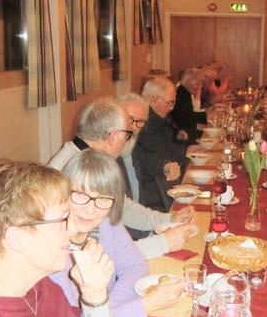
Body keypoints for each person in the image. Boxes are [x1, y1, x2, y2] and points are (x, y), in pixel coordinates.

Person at [0, 159, 116, 317]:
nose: (72, 230)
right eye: (62, 220)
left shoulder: (39, 285)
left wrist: (94, 294)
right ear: (16, 238)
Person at [51, 149, 183, 317]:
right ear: (63, 192)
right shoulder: (51, 250)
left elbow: (136, 266)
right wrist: (144, 305)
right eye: (80, 194)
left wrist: (105, 308)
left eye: (103, 198)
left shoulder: (105, 223)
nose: (91, 210)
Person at [48, 97, 194, 259]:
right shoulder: (74, 170)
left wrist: (169, 218)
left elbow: (122, 208)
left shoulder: (86, 158)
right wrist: (162, 243)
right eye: (127, 134)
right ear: (113, 136)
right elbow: (88, 258)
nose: (128, 140)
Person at [134, 77, 190, 211]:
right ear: (154, 100)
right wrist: (187, 151)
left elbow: (167, 141)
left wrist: (187, 147)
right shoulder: (145, 121)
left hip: (163, 175)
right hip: (153, 186)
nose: (172, 107)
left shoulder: (158, 116)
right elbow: (162, 153)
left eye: (174, 102)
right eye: (170, 102)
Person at [172, 68, 208, 143]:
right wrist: (204, 120)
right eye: (198, 84)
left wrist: (206, 116)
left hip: (186, 130)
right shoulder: (179, 94)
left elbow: (189, 115)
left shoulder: (184, 92)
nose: (199, 87)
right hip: (181, 135)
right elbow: (182, 120)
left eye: (200, 84)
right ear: (188, 80)